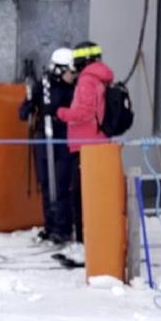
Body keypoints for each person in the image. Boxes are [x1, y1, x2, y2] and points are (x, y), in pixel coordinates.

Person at [56, 41, 113, 250]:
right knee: (90, 196)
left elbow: (85, 112)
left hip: (85, 147)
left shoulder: (87, 80)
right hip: (95, 144)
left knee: (80, 197)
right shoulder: (101, 78)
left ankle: (83, 245)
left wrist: (62, 113)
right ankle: (89, 243)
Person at [18, 48, 76, 244]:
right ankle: (50, 226)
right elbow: (27, 105)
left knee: (60, 185)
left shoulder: (75, 88)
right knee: (45, 184)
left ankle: (64, 228)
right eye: (71, 71)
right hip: (44, 138)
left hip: (64, 140)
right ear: (59, 69)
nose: (73, 75)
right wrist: (26, 109)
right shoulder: (42, 85)